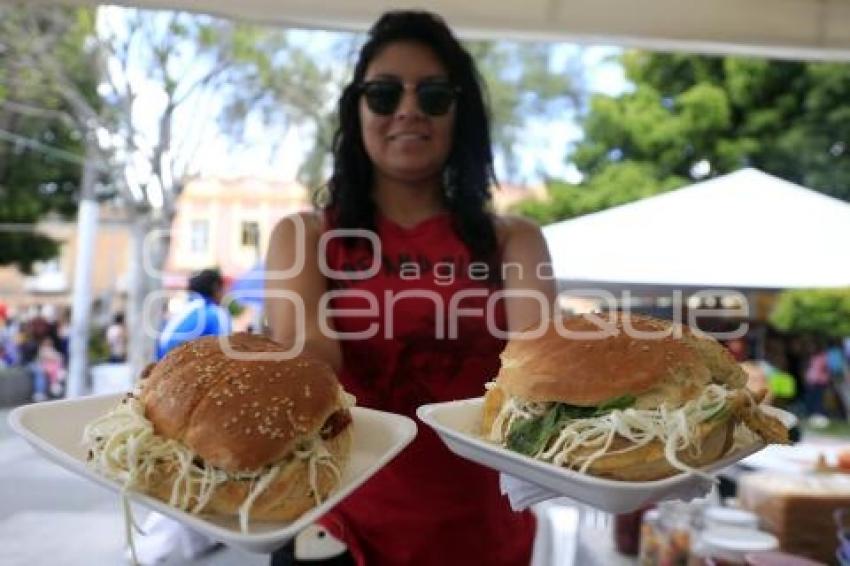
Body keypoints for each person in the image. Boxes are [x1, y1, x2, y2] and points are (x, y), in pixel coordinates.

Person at [265, 11, 555, 566]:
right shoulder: (307, 236)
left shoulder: (515, 240)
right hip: (339, 532)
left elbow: (539, 362)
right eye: (383, 93)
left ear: (459, 113)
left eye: (435, 96)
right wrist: (269, 363)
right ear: (357, 109)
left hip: (484, 534)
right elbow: (309, 352)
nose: (408, 110)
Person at [134, 269, 232, 565]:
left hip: (165, 395)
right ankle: (146, 549)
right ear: (215, 287)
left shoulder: (182, 310)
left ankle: (198, 542)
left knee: (190, 472)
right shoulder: (215, 314)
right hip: (196, 403)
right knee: (185, 473)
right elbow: (230, 356)